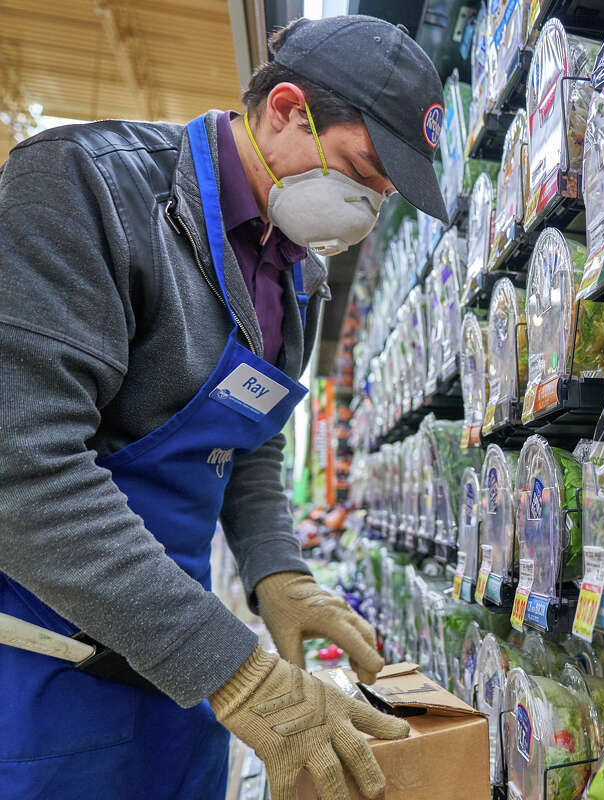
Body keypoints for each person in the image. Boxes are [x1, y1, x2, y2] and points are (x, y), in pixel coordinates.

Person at [0, 15, 447, 800]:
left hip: (176, 671)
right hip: (41, 667)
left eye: (382, 195)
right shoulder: (85, 188)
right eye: (363, 169)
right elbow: (21, 471)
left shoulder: (295, 277)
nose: (367, 207)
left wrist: (279, 571)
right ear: (283, 109)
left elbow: (251, 442)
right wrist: (233, 670)